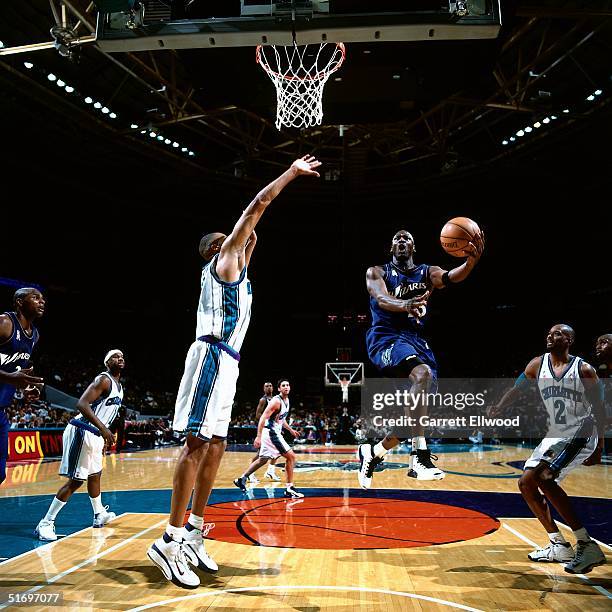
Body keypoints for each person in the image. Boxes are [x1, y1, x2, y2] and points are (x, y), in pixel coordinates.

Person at [147, 155, 321, 589]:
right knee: (195, 444)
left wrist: (251, 231)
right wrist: (292, 173)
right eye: (232, 240)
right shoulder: (223, 263)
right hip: (210, 356)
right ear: (215, 250)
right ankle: (169, 538)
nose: (242, 242)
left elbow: (255, 233)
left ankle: (193, 529)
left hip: (229, 363)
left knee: (219, 444)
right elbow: (257, 208)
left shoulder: (240, 274)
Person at [358, 228, 484, 488]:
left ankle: (373, 453)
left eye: (407, 238)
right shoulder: (377, 271)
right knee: (422, 374)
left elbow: (449, 277)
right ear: (391, 248)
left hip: (416, 341)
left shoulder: (427, 271)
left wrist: (470, 262)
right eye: (397, 238)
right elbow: (381, 298)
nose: (402, 240)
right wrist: (404, 305)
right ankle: (418, 458)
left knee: (414, 419)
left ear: (413, 248)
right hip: (386, 336)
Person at [490, 324, 606, 574]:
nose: (551, 336)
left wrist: (599, 447)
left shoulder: (584, 370)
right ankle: (558, 544)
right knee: (525, 484)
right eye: (549, 333)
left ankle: (587, 544)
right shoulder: (536, 365)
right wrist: (500, 406)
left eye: (558, 333)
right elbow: (517, 386)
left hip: (581, 432)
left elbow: (599, 409)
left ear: (570, 340)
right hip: (555, 435)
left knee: (542, 477)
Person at [35, 350, 124, 541]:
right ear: (107, 362)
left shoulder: (119, 386)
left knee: (95, 475)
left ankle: (99, 513)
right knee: (76, 480)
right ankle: (45, 523)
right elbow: (82, 404)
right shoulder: (104, 380)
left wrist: (103, 435)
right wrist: (103, 430)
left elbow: (105, 413)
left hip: (95, 434)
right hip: (82, 430)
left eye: (122, 356)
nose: (120, 358)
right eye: (115, 356)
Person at [0, 288, 45, 485]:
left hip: (0, 411)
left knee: (0, 473)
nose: (41, 302)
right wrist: (10, 376)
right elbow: (10, 374)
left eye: (43, 299)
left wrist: (27, 387)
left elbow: (19, 368)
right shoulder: (4, 323)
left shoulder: (34, 336)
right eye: (35, 298)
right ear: (19, 302)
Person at [233, 380, 303, 498]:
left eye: (288, 385)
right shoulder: (276, 401)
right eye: (283, 386)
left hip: (272, 432)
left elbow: (282, 419)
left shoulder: (287, 400)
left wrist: (290, 430)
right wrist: (258, 436)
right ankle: (289, 488)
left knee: (263, 459)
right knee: (291, 457)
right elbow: (262, 418)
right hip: (271, 433)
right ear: (279, 389)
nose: (286, 387)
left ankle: (242, 479)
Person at [247, 381, 281, 483]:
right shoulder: (263, 400)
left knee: (278, 450)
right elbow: (258, 415)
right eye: (266, 386)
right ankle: (250, 474)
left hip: (274, 428)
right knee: (260, 454)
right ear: (263, 388)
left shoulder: (275, 399)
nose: (269, 388)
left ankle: (270, 471)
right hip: (265, 429)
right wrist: (267, 422)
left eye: (270, 386)